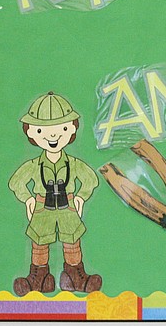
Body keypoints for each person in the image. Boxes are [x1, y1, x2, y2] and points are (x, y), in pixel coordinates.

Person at [8, 91, 102, 295]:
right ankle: (39, 278)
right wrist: (28, 200)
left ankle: (75, 275)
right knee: (39, 244)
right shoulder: (34, 165)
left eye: (62, 128)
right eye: (42, 130)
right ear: (31, 132)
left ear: (72, 129)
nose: (53, 136)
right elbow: (16, 182)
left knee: (72, 243)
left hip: (67, 207)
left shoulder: (73, 164)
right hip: (43, 208)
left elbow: (90, 179)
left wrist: (80, 196)